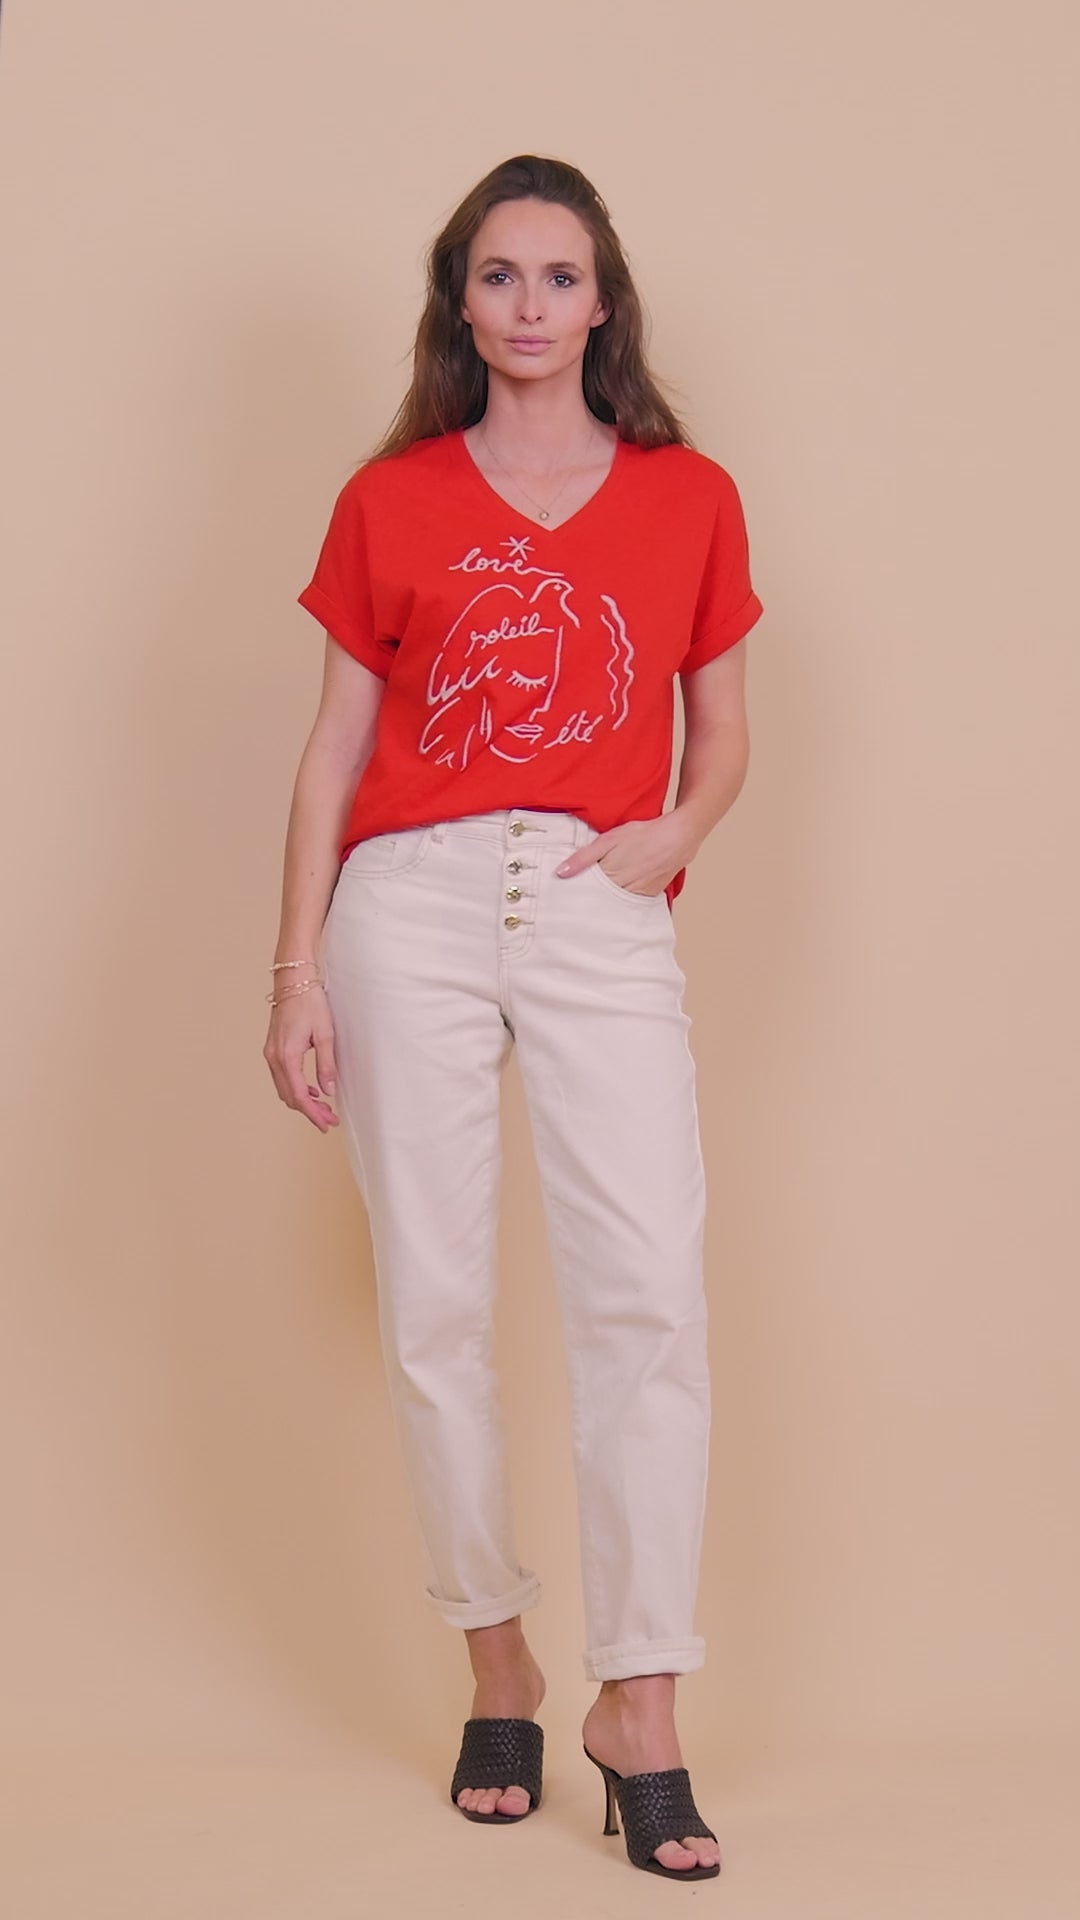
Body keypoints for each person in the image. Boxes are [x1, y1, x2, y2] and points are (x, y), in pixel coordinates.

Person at [265, 153, 764, 1881]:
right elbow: (334, 748)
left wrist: (675, 839)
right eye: (500, 275)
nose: (531, 303)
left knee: (648, 1297)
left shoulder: (690, 495)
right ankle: (499, 1666)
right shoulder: (389, 497)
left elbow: (724, 730)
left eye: (560, 275)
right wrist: (295, 971)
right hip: (404, 906)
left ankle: (645, 1704)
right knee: (435, 1304)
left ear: (602, 301)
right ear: (461, 302)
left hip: (593, 894)